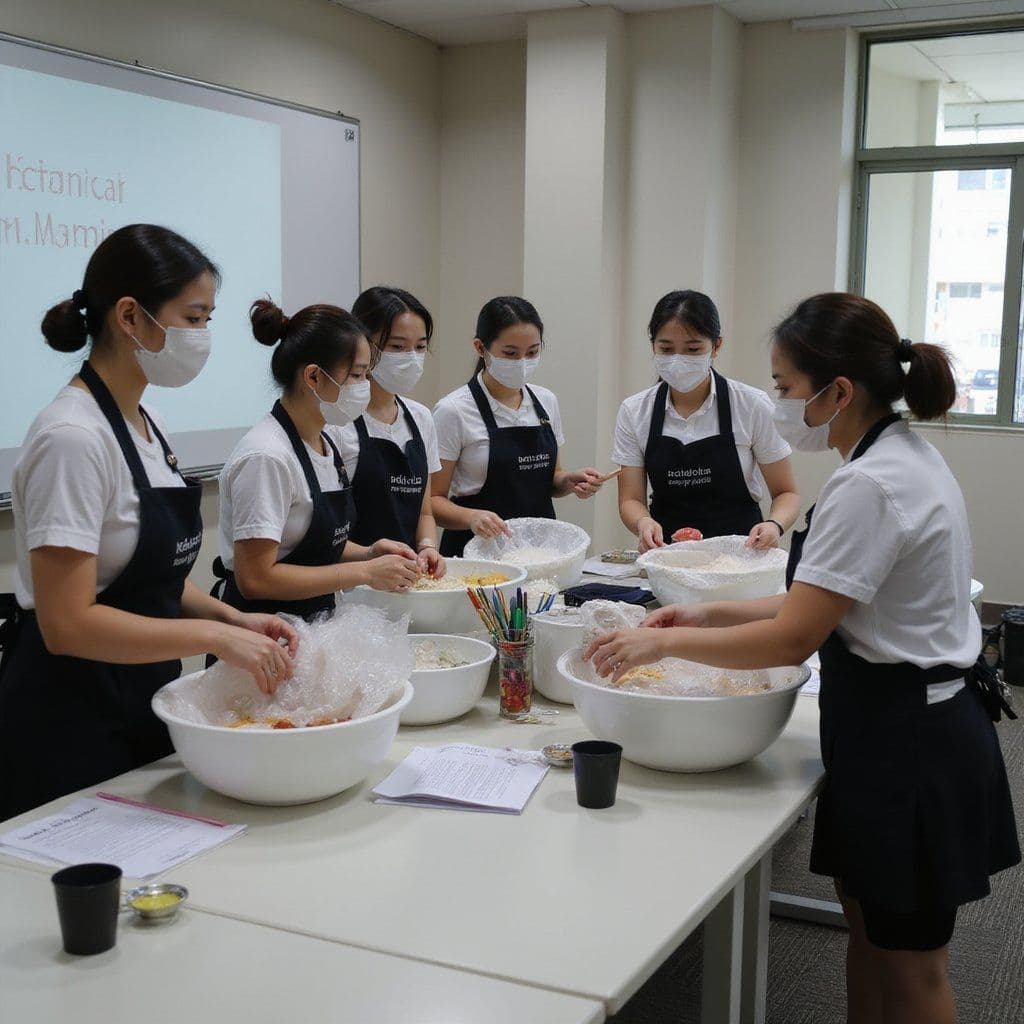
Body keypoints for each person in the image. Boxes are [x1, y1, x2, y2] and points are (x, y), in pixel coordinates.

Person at [587, 292, 1020, 1024]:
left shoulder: (871, 485)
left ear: (838, 391)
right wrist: (704, 611)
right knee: (869, 936)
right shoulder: (898, 457)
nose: (781, 402)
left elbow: (794, 639)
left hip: (912, 744)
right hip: (886, 728)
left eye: (786, 386)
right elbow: (821, 600)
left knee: (914, 971)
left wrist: (660, 641)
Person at [0, 225, 298, 821]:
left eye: (208, 318)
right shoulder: (72, 438)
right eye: (192, 318)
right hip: (71, 717)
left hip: (140, 696)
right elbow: (67, 623)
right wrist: (215, 639)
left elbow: (151, 577)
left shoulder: (148, 423)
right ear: (130, 316)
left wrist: (234, 619)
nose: (203, 336)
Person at [214, 300, 420, 623]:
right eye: (357, 375)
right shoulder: (267, 457)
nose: (365, 387)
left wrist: (368, 553)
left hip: (312, 625)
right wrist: (365, 572)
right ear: (313, 376)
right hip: (262, 631)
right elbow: (255, 578)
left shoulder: (323, 442)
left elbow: (312, 543)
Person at [614, 290, 799, 551]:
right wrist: (643, 522)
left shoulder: (751, 405)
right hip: (668, 555)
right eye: (666, 349)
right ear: (653, 346)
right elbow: (630, 499)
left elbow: (786, 493)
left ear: (716, 346)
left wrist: (774, 525)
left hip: (740, 555)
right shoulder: (634, 411)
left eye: (693, 349)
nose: (678, 360)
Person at [431, 296, 604, 557]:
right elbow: (432, 501)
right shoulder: (453, 410)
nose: (522, 362)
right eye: (510, 354)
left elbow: (552, 479)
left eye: (532, 352)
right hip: (476, 554)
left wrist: (569, 481)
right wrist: (471, 517)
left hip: (537, 551)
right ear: (480, 348)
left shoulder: (546, 401)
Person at [333, 286, 444, 579]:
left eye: (420, 347)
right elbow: (322, 534)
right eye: (397, 347)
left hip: (404, 580)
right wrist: (368, 560)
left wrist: (427, 546)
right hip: (349, 584)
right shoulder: (337, 423)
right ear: (363, 344)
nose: (411, 358)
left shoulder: (420, 417)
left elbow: (424, 512)